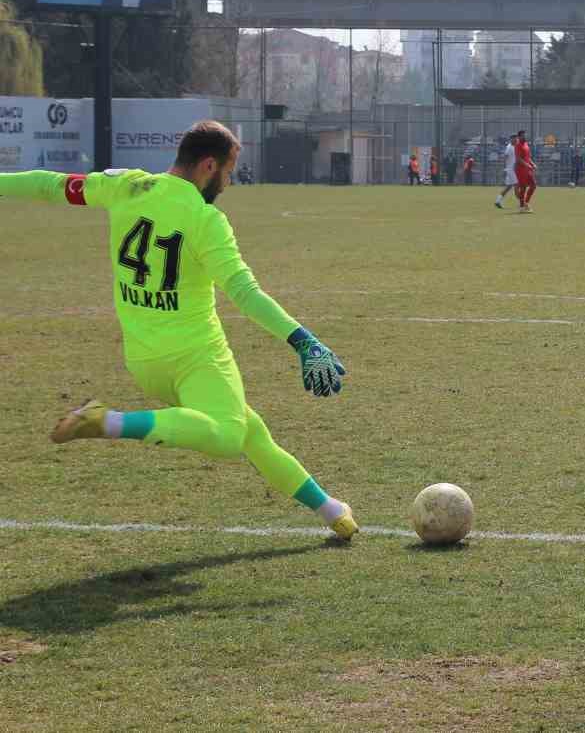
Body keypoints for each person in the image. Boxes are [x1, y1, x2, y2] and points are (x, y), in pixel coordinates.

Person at [0, 121, 356, 539]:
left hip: (144, 361)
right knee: (228, 436)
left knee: (251, 433)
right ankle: (108, 422)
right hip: (198, 358)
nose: (228, 183)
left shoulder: (127, 186)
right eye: (228, 172)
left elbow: (50, 185)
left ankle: (331, 510)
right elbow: (245, 292)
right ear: (209, 166)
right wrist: (303, 340)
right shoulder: (206, 219)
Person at [514, 131, 537, 212]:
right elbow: (518, 159)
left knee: (533, 185)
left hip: (528, 170)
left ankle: (526, 203)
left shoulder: (526, 144)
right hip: (520, 170)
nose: (525, 137)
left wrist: (533, 164)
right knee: (523, 188)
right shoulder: (517, 145)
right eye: (523, 135)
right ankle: (521, 207)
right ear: (519, 137)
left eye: (525, 135)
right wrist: (527, 165)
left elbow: (528, 157)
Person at [495, 135, 519, 209]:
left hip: (512, 170)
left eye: (516, 138)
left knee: (508, 187)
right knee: (516, 185)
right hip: (511, 170)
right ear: (511, 139)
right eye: (514, 138)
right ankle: (522, 203)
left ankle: (497, 201)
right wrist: (504, 168)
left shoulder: (515, 146)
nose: (516, 140)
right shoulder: (509, 147)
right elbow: (504, 157)